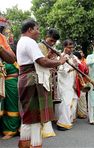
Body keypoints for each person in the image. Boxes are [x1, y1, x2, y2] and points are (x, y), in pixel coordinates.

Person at [16, 19, 66, 148]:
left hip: (25, 79)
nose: (39, 32)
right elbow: (42, 62)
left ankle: (26, 144)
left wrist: (49, 57)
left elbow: (37, 61)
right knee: (35, 116)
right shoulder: (30, 42)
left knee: (28, 116)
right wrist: (60, 61)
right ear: (30, 30)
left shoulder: (21, 41)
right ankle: (35, 144)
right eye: (37, 29)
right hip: (32, 80)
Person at [0, 17, 20, 140]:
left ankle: (11, 130)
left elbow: (12, 62)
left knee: (11, 107)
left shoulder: (13, 61)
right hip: (4, 83)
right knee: (4, 107)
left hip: (11, 83)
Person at [38, 28, 60, 138]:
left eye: (54, 42)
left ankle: (47, 128)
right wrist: (50, 55)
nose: (52, 43)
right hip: (39, 78)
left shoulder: (51, 48)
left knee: (48, 102)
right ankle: (40, 128)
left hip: (49, 78)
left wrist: (55, 59)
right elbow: (41, 62)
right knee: (41, 103)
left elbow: (54, 64)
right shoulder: (40, 46)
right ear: (46, 36)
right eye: (51, 41)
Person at [56, 39, 78, 130]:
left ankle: (68, 119)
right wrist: (71, 69)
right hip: (63, 84)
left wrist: (76, 65)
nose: (71, 49)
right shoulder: (60, 56)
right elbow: (59, 69)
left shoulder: (73, 57)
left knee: (72, 101)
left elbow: (79, 67)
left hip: (71, 83)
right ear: (64, 47)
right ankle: (62, 123)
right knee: (65, 103)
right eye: (69, 47)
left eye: (72, 47)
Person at [73, 51, 88, 119]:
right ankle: (81, 113)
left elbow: (85, 72)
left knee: (80, 98)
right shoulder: (83, 63)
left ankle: (80, 113)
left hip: (80, 82)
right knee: (81, 98)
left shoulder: (81, 63)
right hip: (81, 82)